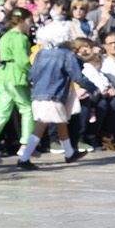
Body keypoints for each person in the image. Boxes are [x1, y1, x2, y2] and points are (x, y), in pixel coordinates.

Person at [26, 22, 90, 165]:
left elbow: (31, 75)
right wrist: (92, 86)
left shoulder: (41, 53)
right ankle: (24, 158)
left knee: (61, 122)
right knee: (41, 126)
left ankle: (69, 153)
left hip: (38, 94)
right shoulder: (66, 55)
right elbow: (77, 76)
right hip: (54, 94)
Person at [0, 10, 35, 167]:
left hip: (3, 76)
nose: (30, 25)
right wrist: (34, 73)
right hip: (16, 77)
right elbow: (23, 61)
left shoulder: (4, 36)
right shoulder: (20, 38)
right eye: (29, 21)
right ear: (23, 21)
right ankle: (26, 143)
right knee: (27, 109)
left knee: (2, 112)